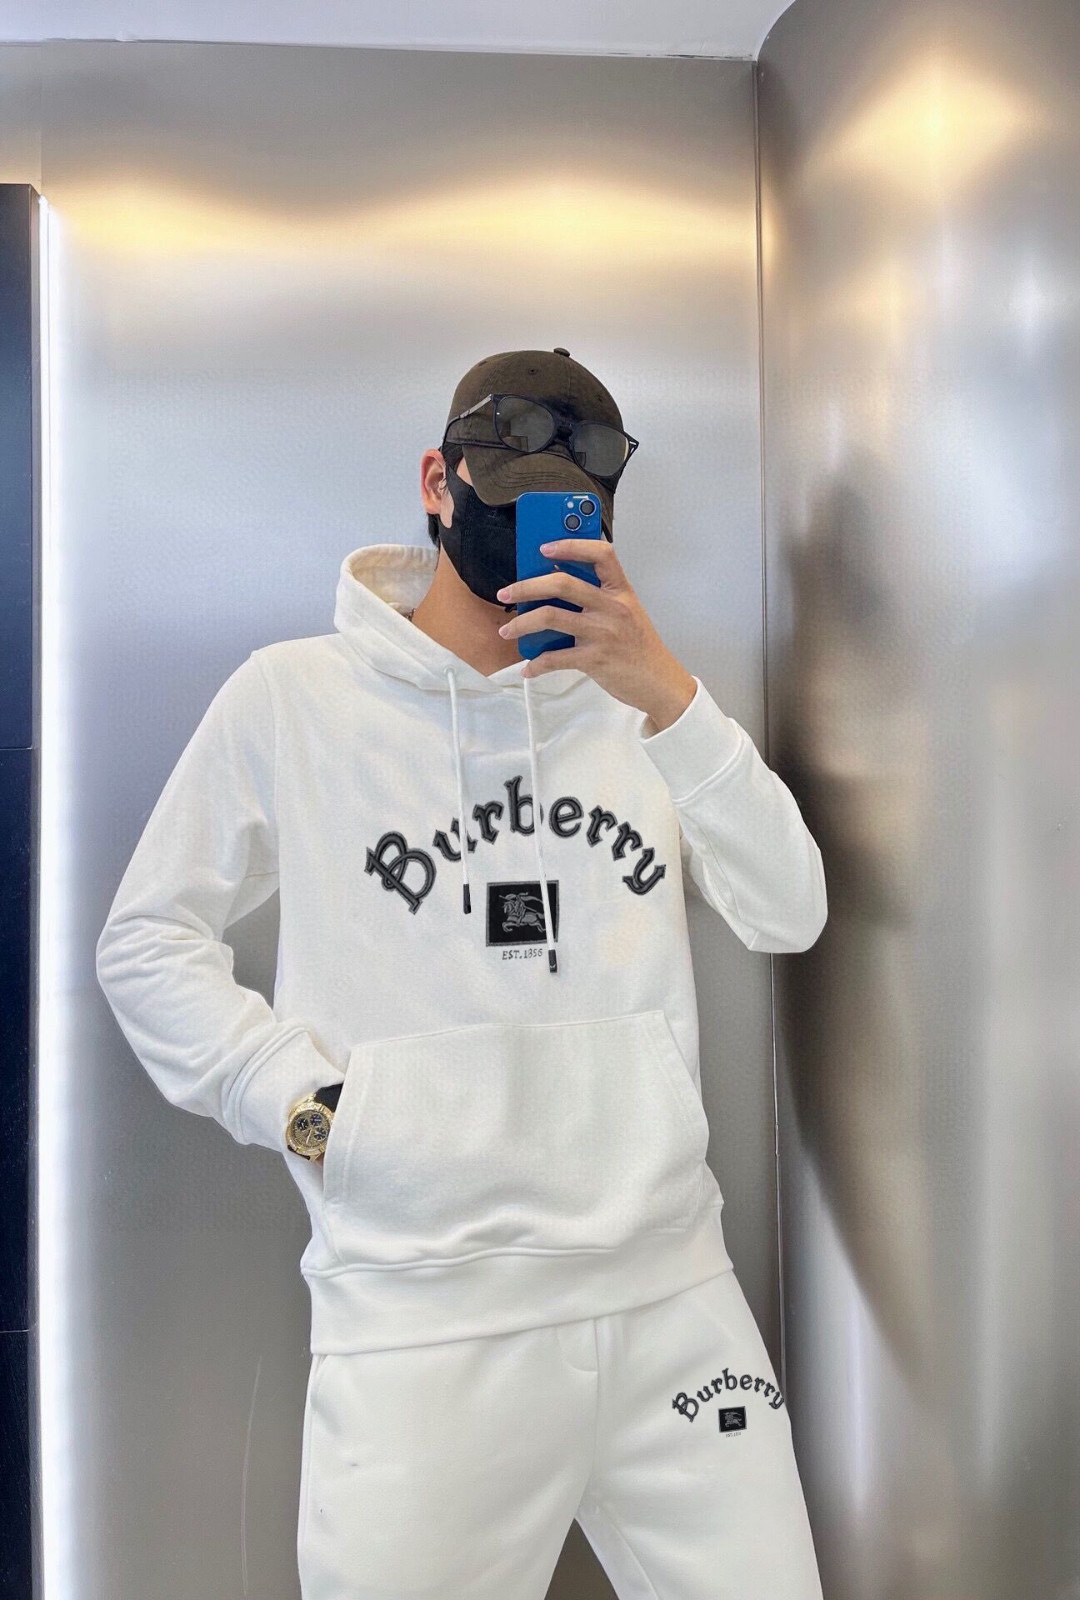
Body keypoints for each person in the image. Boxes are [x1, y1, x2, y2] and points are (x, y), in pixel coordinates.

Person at [96, 346, 828, 1599]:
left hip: (672, 1295)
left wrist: (664, 695)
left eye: (569, 507)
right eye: (508, 494)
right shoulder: (294, 698)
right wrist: (310, 1109)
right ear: (438, 484)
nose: (534, 528)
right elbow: (147, 939)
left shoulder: (642, 707)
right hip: (422, 1320)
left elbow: (789, 909)